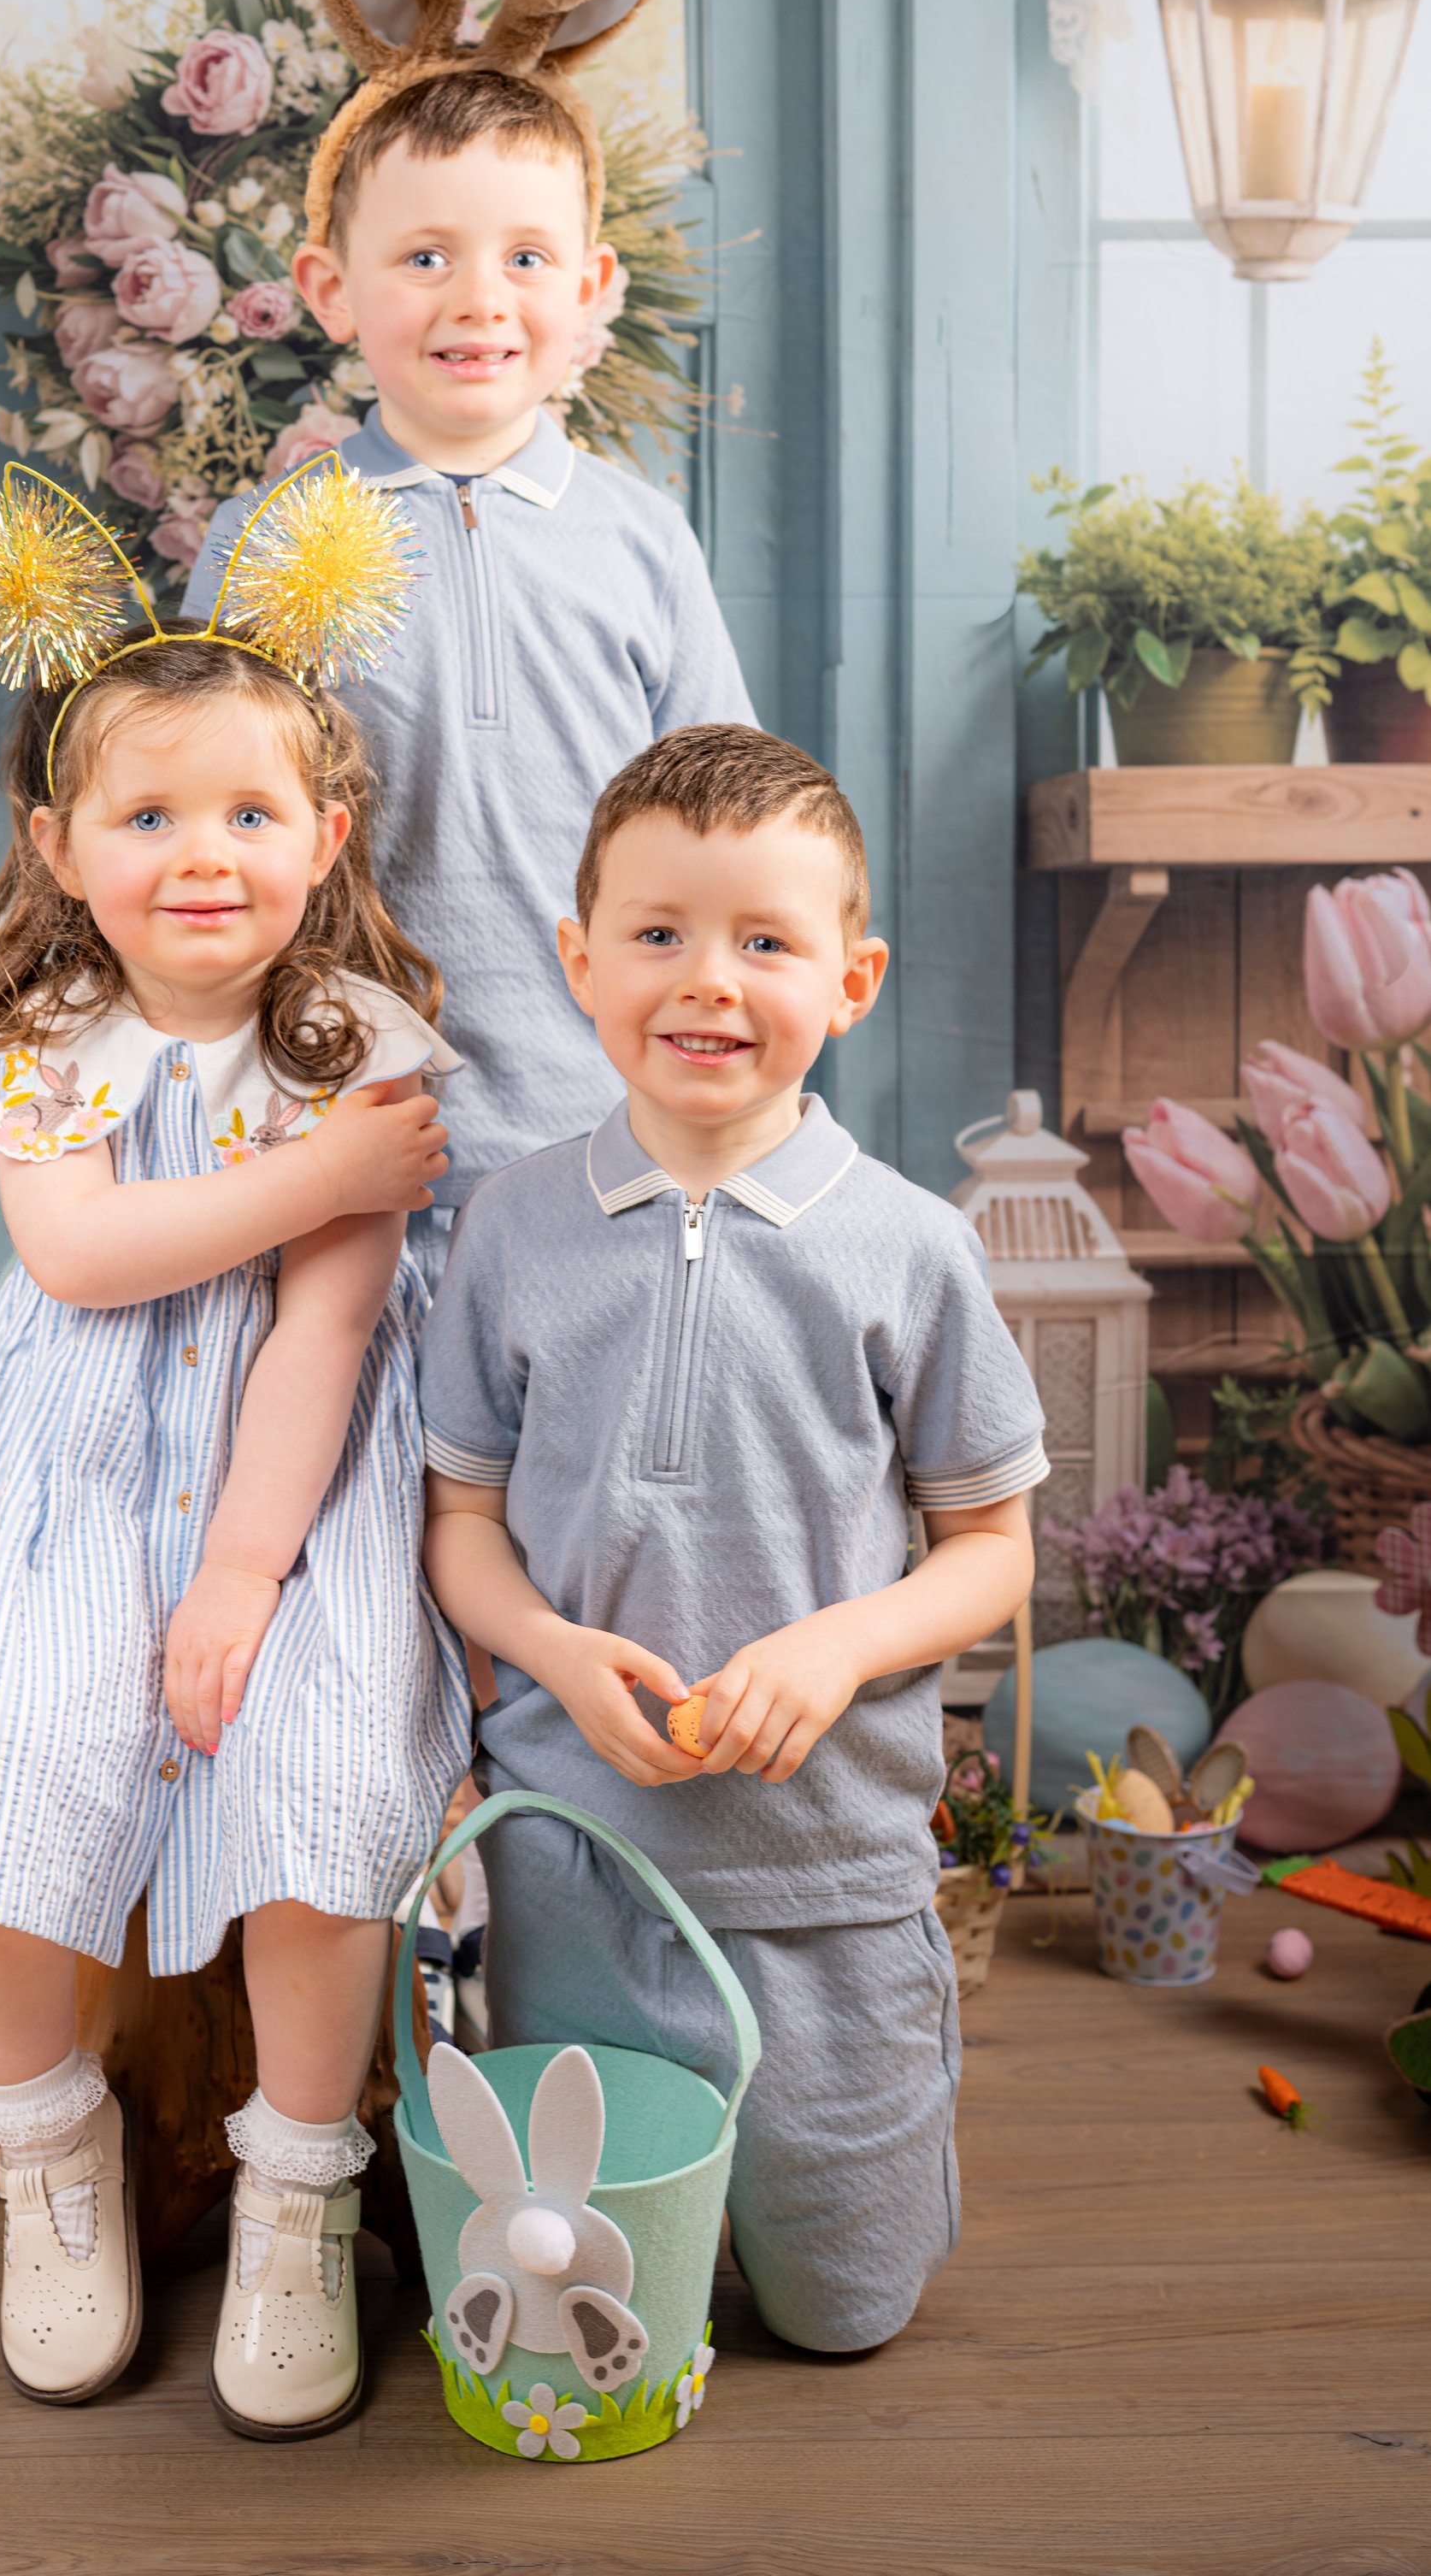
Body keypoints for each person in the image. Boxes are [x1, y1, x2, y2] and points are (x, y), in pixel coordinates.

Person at [0, 467, 470, 2436]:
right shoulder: (46, 1027)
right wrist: (314, 1173)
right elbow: (82, 1250)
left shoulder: (361, 1042)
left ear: (325, 825)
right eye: (143, 814)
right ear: (56, 841)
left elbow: (326, 1324)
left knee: (311, 1766)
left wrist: (238, 1574)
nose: (197, 854)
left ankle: (300, 2179)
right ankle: (55, 2147)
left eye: (244, 811)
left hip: (287, 1490)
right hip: (61, 1469)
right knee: (8, 1736)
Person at [418, 722, 1046, 2358]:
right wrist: (546, 1648)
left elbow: (992, 1550)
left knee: (847, 2317)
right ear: (576, 960)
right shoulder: (509, 1230)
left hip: (825, 1868)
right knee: (601, 2304)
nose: (708, 980)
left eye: (765, 940)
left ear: (854, 978)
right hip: (581, 1863)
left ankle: (850, 2171)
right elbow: (462, 1527)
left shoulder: (910, 1250)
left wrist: (837, 1645)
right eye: (659, 934)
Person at [188, 0, 755, 1278]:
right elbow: (202, 820)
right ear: (331, 289)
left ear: (590, 290)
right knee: (390, 1492)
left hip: (610, 1137)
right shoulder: (277, 541)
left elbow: (728, 829)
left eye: (522, 258)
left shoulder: (638, 541)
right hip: (354, 1137)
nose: (476, 298)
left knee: (583, 1488)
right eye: (424, 256)